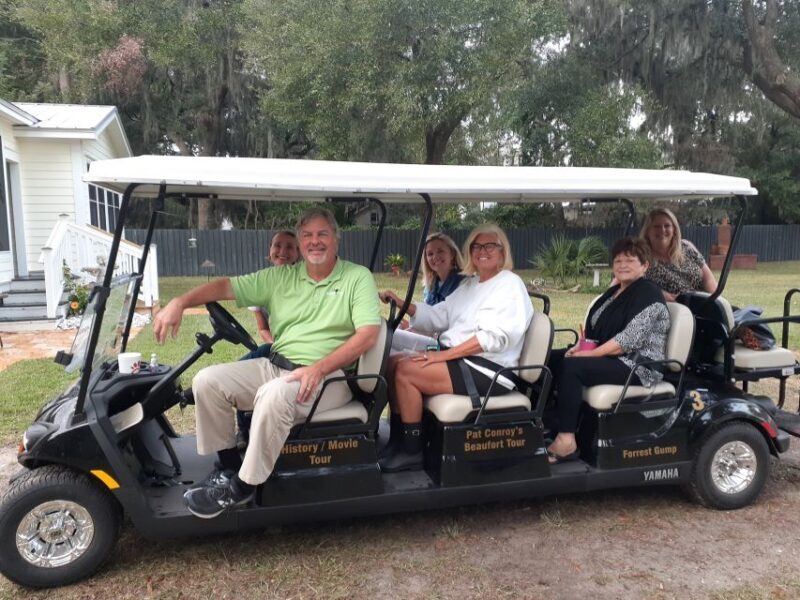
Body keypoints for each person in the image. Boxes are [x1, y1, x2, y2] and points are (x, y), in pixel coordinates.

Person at [153, 207, 381, 518]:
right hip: (277, 365)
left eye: (322, 234)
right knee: (207, 381)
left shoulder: (357, 277)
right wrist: (180, 301)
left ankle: (243, 488)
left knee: (274, 393)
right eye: (308, 236)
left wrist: (319, 367)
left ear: (336, 240)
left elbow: (368, 334)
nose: (315, 241)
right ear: (300, 244)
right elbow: (225, 287)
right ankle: (230, 467)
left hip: (329, 377)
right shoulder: (279, 277)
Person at [378, 224, 533, 472]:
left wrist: (442, 355)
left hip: (489, 370)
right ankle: (398, 440)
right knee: (394, 362)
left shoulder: (509, 284)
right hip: (464, 362)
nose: (483, 251)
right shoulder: (470, 285)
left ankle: (411, 451)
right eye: (477, 246)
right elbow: (439, 316)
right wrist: (402, 303)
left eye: (490, 245)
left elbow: (493, 338)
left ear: (502, 251)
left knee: (406, 371)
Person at [546, 237, 670, 463]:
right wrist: (578, 348)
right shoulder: (613, 293)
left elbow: (628, 339)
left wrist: (589, 355)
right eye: (618, 260)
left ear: (645, 266)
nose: (622, 265)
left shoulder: (649, 294)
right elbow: (595, 330)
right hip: (613, 359)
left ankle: (566, 441)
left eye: (630, 260)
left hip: (638, 365)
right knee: (552, 358)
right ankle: (547, 425)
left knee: (572, 368)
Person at [235, 230, 300, 451]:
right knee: (238, 371)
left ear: (298, 253)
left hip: (300, 353)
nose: (283, 252)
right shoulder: (261, 283)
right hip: (275, 346)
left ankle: (248, 432)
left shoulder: (304, 283)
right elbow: (262, 328)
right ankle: (244, 429)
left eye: (290, 247)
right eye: (277, 246)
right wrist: (276, 344)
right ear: (270, 251)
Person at [640, 207, 717, 301]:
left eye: (667, 226)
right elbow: (630, 286)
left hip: (706, 303)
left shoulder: (687, 246)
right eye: (657, 226)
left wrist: (716, 301)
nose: (662, 230)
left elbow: (708, 279)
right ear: (648, 231)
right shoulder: (640, 257)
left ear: (674, 230)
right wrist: (658, 294)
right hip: (677, 310)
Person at [421, 232, 465, 306]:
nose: (435, 257)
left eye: (440, 251)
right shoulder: (429, 287)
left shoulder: (465, 283)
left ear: (452, 254)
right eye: (430, 254)